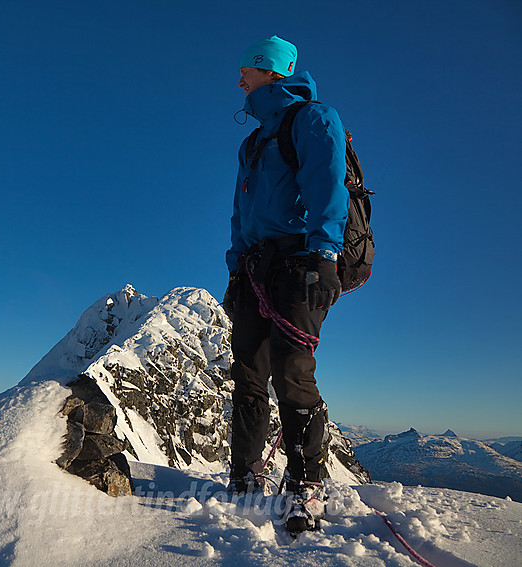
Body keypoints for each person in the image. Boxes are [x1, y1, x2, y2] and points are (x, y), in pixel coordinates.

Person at [222, 35, 349, 533]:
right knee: (248, 371)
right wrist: (235, 267)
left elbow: (327, 187)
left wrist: (324, 255)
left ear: (270, 71)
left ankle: (305, 486)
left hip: (300, 261)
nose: (239, 82)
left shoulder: (314, 119)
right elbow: (240, 212)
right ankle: (247, 472)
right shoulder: (252, 142)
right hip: (254, 266)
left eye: (246, 71)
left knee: (291, 371)